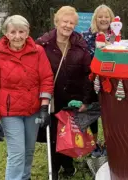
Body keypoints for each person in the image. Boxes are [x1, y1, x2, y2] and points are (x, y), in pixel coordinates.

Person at [0, 15, 54, 180]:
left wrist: (44, 107)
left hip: (33, 110)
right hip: (10, 113)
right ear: (6, 34)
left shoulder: (38, 52)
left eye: (21, 31)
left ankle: (25, 177)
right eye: (13, 32)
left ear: (28, 32)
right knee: (17, 154)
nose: (17, 36)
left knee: (28, 151)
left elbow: (46, 79)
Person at [36, 6, 93, 179]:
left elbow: (87, 76)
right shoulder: (43, 45)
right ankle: (54, 168)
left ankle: (68, 166)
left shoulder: (80, 46)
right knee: (53, 136)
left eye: (71, 23)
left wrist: (85, 100)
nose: (68, 25)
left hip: (71, 100)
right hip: (52, 99)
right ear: (56, 22)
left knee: (68, 134)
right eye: (65, 21)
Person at [82, 4, 115, 158]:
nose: (103, 19)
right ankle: (94, 144)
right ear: (95, 19)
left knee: (110, 114)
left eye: (106, 16)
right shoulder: (87, 35)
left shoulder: (116, 35)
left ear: (111, 18)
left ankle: (110, 143)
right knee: (93, 114)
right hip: (92, 81)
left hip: (113, 82)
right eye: (100, 16)